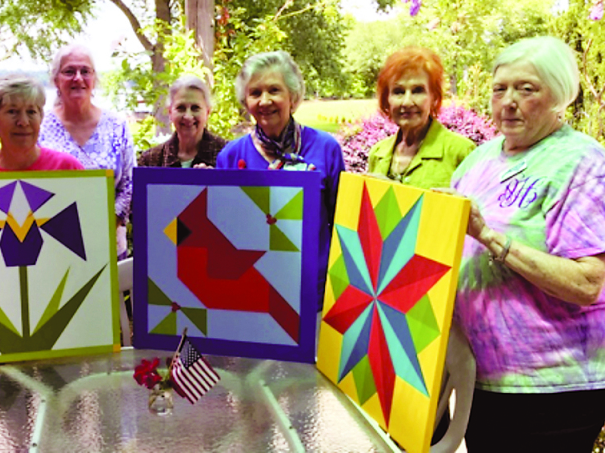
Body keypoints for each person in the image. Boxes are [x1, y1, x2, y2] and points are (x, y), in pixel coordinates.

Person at [449, 36, 605, 452]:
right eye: (500, 88)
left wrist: (488, 235)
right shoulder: (478, 161)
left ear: (559, 97)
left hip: (552, 390)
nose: (508, 101)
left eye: (526, 89)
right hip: (483, 378)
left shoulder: (581, 163)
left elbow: (587, 284)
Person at [216, 50, 345, 301]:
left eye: (274, 90)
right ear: (245, 103)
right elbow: (223, 231)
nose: (264, 101)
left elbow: (343, 224)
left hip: (313, 293)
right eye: (255, 93)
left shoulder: (326, 149)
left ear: (293, 97)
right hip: (250, 291)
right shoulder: (230, 157)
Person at [38, 43, 135, 259]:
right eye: (69, 71)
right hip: (51, 246)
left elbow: (129, 185)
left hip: (108, 243)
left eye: (85, 71)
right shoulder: (39, 126)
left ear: (94, 79)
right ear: (56, 80)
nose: (78, 78)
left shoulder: (116, 125)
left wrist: (105, 226)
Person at [368, 47, 475, 189]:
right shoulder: (377, 154)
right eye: (398, 92)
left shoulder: (461, 152)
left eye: (417, 91)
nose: (407, 102)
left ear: (434, 97)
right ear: (387, 98)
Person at [0, 74, 83, 172]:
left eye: (31, 112)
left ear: (41, 117)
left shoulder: (67, 169)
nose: (23, 122)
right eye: (12, 112)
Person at [138, 75, 226, 168]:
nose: (188, 116)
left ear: (207, 112)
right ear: (170, 112)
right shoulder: (151, 161)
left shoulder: (228, 154)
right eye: (181, 108)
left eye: (195, 108)